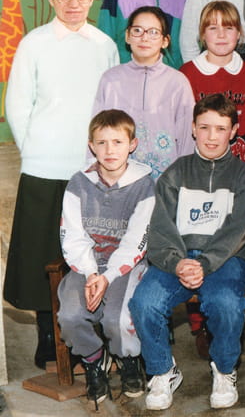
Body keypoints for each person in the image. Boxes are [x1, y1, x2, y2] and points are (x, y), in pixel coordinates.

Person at [4, 0, 118, 369]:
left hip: (91, 169)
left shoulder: (104, 45)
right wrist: (34, 151)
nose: (73, 4)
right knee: (42, 254)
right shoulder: (33, 43)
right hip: (44, 168)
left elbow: (110, 108)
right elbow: (18, 104)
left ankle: (88, 331)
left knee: (89, 253)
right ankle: (48, 336)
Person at [129, 94, 245, 410]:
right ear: (192, 128)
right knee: (144, 302)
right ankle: (162, 371)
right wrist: (178, 264)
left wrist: (203, 263)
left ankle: (224, 370)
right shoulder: (176, 172)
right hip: (179, 258)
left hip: (225, 259)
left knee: (226, 304)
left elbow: (238, 230)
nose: (212, 136)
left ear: (234, 131)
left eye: (221, 128)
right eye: (204, 127)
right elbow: (161, 227)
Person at [57, 110, 154, 406]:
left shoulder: (144, 185)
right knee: (70, 316)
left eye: (117, 142)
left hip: (126, 266)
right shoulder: (78, 183)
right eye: (102, 143)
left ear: (132, 144)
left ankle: (128, 359)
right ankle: (94, 359)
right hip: (87, 264)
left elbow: (136, 240)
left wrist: (108, 277)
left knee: (117, 318)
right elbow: (73, 235)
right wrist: (90, 273)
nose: (110, 150)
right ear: (91, 146)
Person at [93, 6, 195, 179]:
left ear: (165, 41)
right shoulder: (110, 79)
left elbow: (187, 139)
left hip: (166, 180)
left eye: (153, 32)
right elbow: (97, 131)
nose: (144, 38)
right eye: (137, 30)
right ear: (127, 36)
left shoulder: (178, 82)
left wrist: (183, 179)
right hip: (120, 179)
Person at [180, 0, 245, 164]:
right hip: (198, 161)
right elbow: (183, 128)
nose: (221, 35)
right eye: (213, 28)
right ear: (202, 34)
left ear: (238, 33)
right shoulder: (187, 74)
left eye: (228, 28)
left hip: (239, 162)